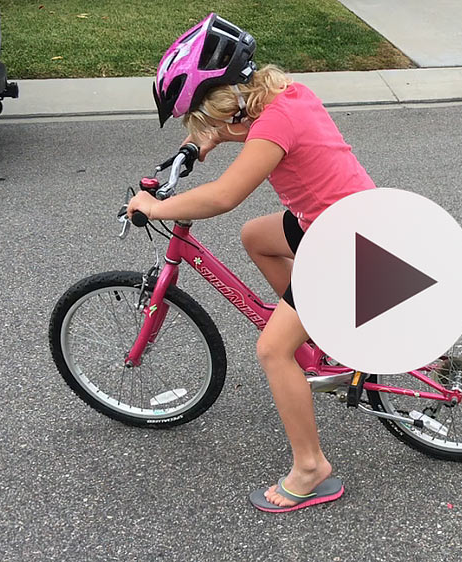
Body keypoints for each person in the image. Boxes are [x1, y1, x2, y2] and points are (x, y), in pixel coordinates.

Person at [127, 13, 376, 512]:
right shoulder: (286, 98)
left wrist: (154, 207)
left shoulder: (272, 125)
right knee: (256, 237)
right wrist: (202, 143)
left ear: (227, 103)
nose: (204, 130)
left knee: (272, 351)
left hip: (344, 242)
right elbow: (250, 134)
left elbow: (224, 195)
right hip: (343, 221)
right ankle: (323, 329)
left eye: (203, 118)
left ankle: (311, 468)